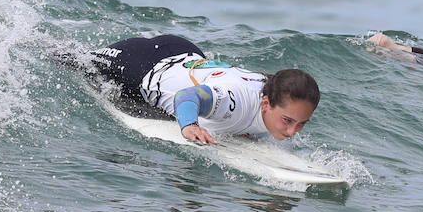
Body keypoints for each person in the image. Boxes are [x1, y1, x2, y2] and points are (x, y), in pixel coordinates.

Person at [83, 34, 320, 145]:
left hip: (187, 55)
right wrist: (189, 126)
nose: (292, 131)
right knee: (72, 59)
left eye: (301, 124)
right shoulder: (233, 102)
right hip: (143, 64)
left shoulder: (274, 90)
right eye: (288, 121)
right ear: (266, 104)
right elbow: (187, 96)